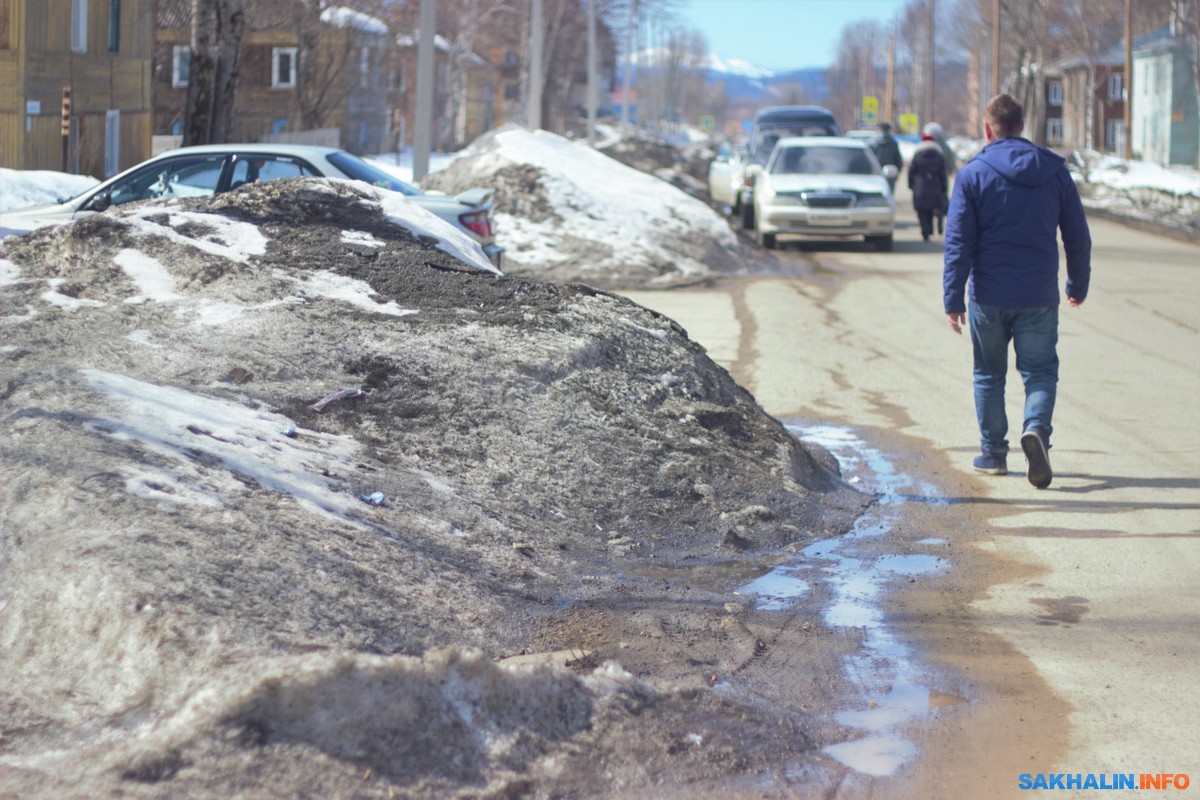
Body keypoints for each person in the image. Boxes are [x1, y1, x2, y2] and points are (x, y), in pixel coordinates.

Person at [942, 94, 1091, 488]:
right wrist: (1078, 283)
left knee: (988, 374)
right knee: (1040, 371)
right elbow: (1077, 237)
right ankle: (1037, 430)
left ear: (987, 129)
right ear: (1022, 127)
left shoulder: (973, 174)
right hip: (1039, 296)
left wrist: (952, 299)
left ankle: (993, 454)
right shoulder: (1055, 173)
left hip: (988, 295)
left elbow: (959, 243)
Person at [907, 132, 948, 241]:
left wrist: (911, 185)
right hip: (935, 185)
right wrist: (944, 188)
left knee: (922, 210)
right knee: (932, 208)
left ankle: (925, 230)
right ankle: (931, 229)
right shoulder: (939, 155)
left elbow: (911, 171)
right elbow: (943, 173)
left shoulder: (918, 154)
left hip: (920, 185)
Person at [871, 122, 903, 192]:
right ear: (888, 131)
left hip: (876, 171)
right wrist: (898, 171)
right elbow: (898, 159)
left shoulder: (873, 142)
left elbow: (870, 158)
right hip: (890, 172)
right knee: (889, 191)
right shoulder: (893, 143)